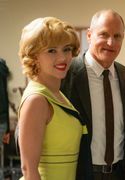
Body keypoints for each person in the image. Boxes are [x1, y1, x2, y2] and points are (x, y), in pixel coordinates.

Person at [61, 9, 125, 180]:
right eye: (104, 34)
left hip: (119, 174)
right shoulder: (67, 73)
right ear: (89, 35)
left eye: (117, 36)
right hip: (80, 174)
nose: (111, 42)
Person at [17, 17, 86, 180]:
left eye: (67, 49)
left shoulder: (56, 93)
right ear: (34, 55)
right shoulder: (37, 100)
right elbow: (29, 170)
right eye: (52, 50)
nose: (63, 58)